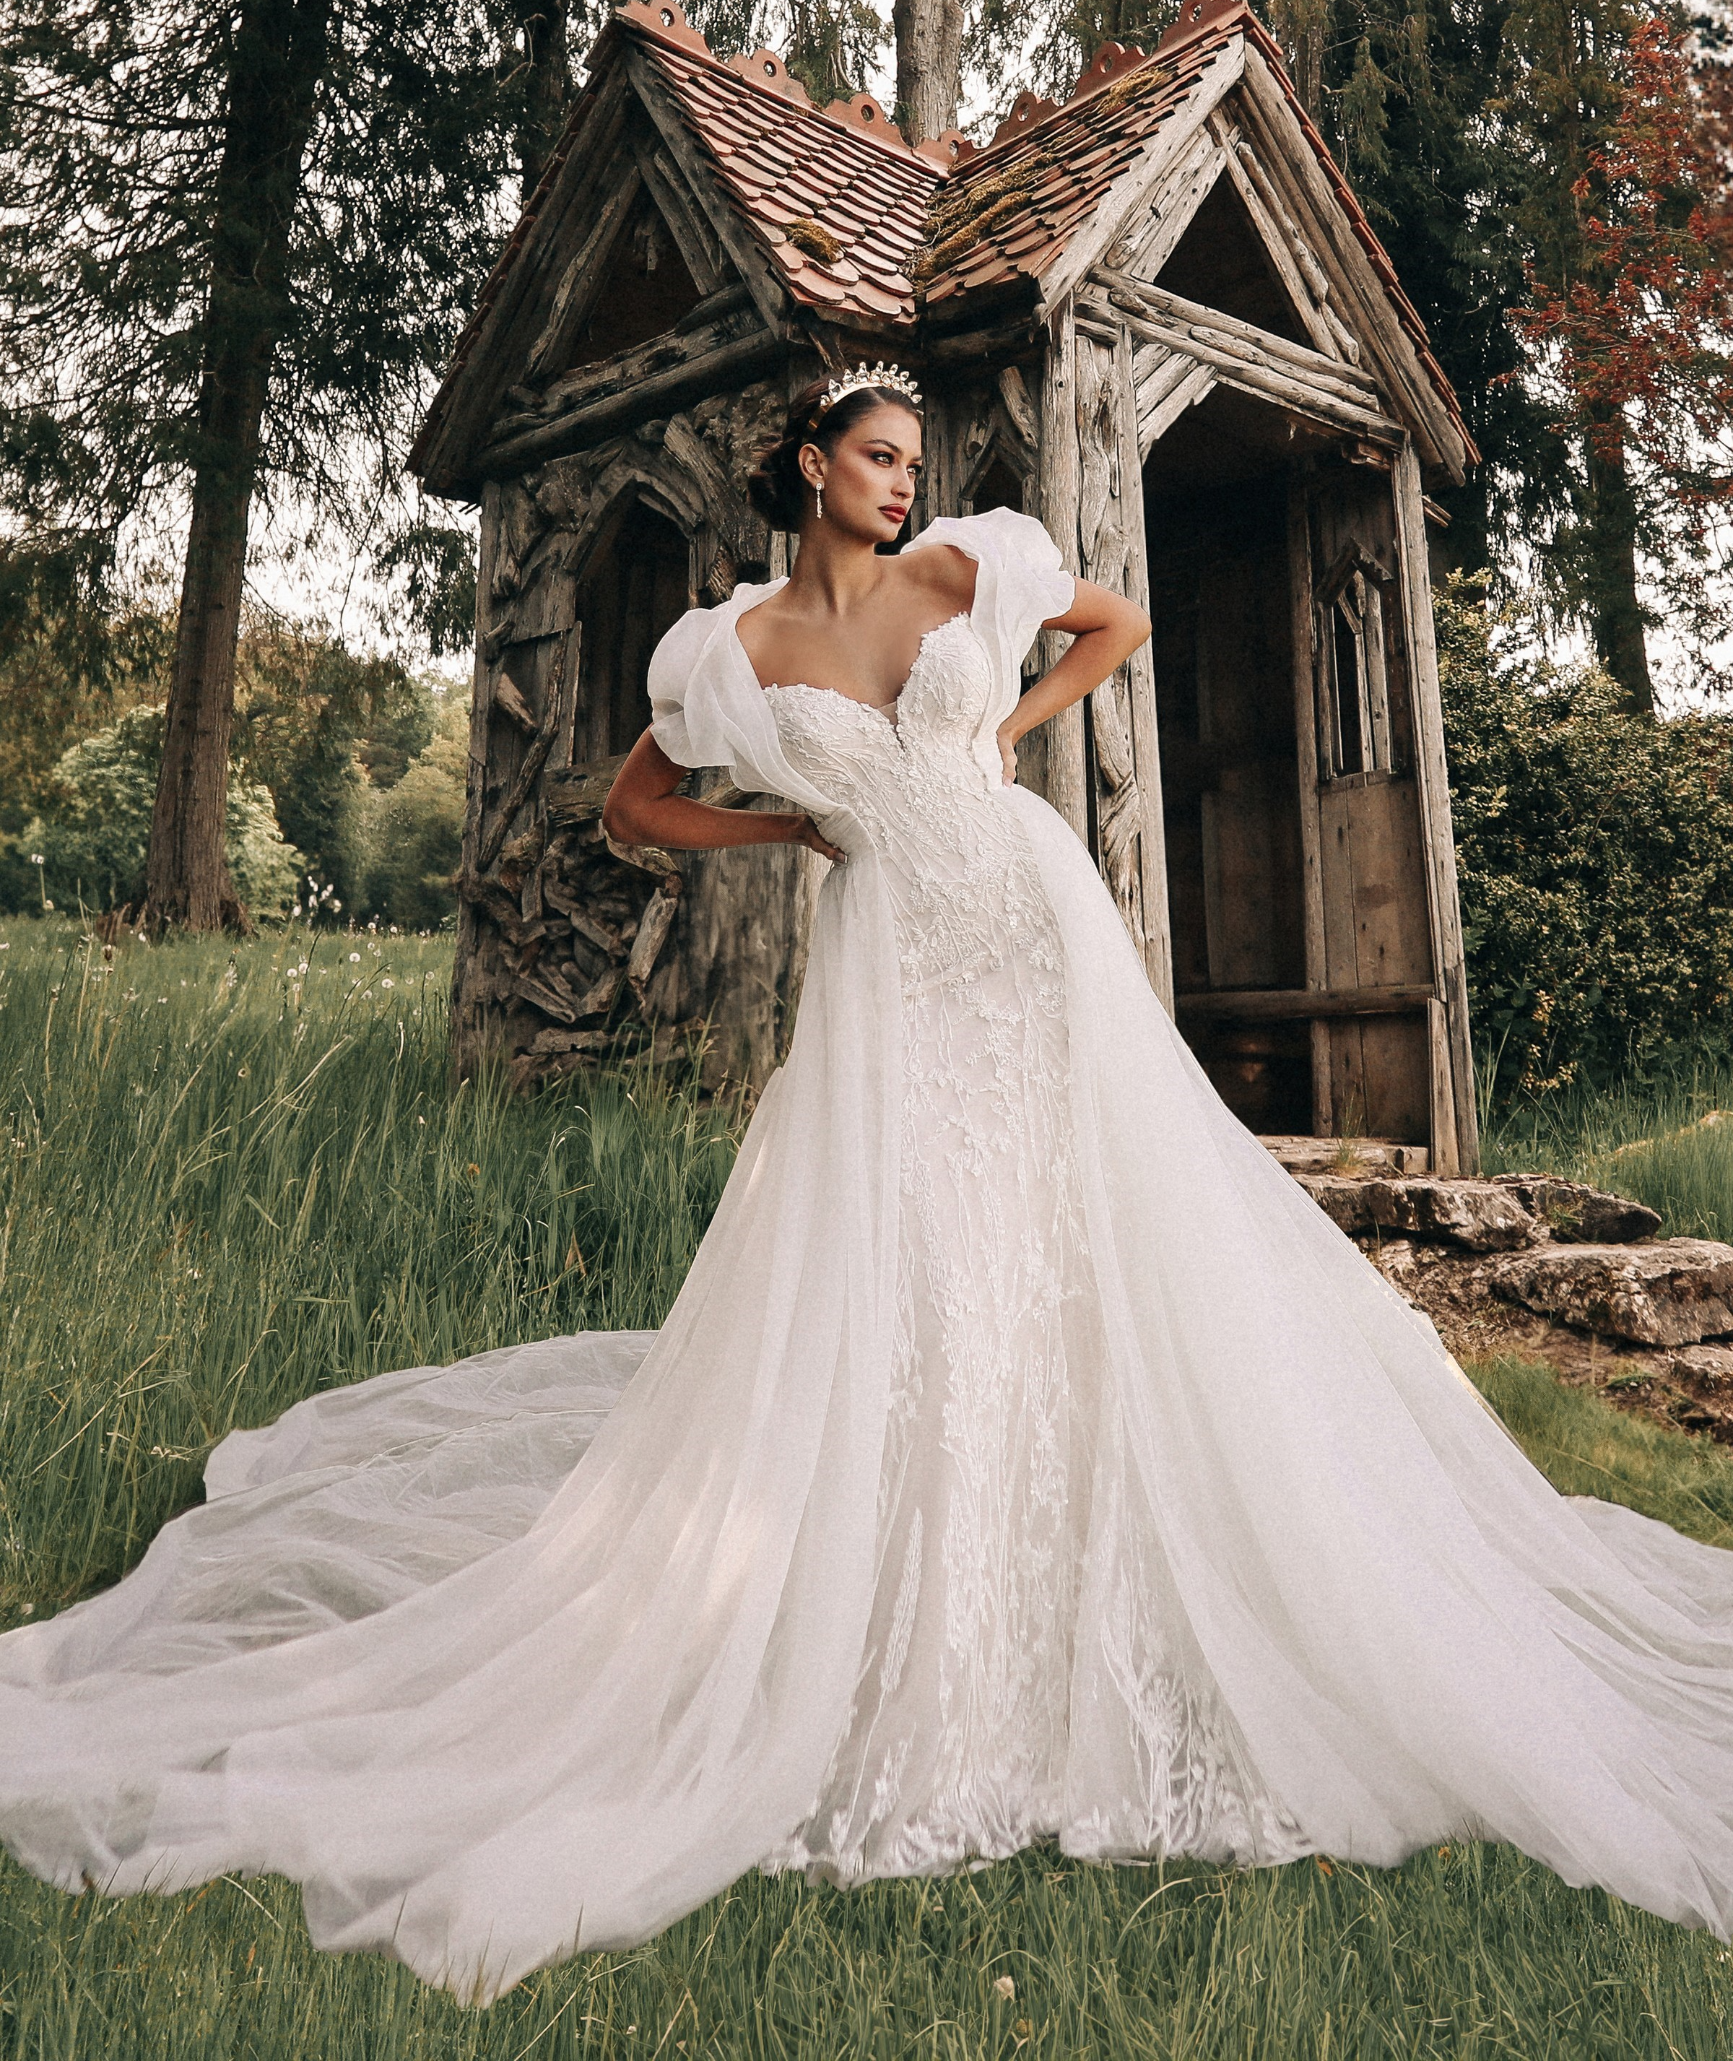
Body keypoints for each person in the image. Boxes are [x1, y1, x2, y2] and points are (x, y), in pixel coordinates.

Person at [4, 365, 1733, 2007]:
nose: (909, 478)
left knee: (1093, 1242)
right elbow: (635, 807)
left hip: (1033, 933)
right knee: (924, 1259)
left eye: (917, 457)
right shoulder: (730, 652)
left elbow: (1113, 629)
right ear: (813, 465)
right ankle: (925, 1587)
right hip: (895, 963)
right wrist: (791, 833)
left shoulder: (976, 568)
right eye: (884, 454)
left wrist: (1014, 736)